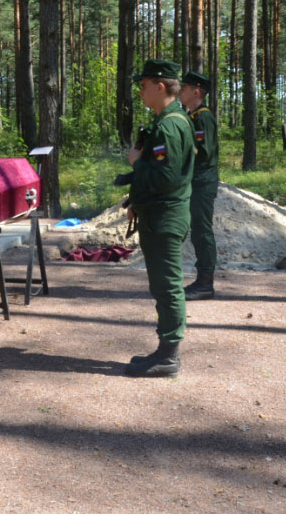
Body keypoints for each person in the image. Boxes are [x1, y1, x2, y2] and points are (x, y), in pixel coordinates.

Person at [124, 59, 195, 377]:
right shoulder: (167, 120)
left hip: (164, 217)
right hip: (158, 214)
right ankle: (165, 351)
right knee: (162, 285)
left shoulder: (169, 124)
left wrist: (137, 163)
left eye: (143, 85)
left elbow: (166, 176)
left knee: (167, 286)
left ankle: (169, 356)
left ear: (160, 86)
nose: (140, 92)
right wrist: (135, 198)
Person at [180, 71, 219, 300]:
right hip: (196, 179)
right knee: (197, 230)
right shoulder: (192, 116)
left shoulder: (202, 117)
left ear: (196, 91)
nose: (180, 92)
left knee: (202, 231)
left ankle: (205, 283)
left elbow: (203, 153)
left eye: (184, 88)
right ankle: (203, 280)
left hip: (202, 180)